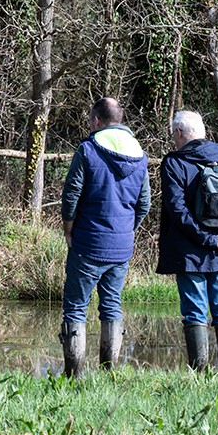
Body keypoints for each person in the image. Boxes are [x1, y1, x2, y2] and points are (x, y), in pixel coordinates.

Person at [58, 97, 151, 377]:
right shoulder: (140, 154)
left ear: (97, 121)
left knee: (76, 306)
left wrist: (68, 230)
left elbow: (71, 195)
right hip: (120, 248)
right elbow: (144, 203)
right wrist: (125, 230)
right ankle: (109, 371)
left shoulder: (87, 150)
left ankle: (74, 374)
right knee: (111, 304)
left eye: (90, 120)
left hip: (87, 243)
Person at [157, 110, 218, 370]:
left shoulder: (174, 163)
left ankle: (200, 373)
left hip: (191, 254)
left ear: (179, 133)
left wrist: (208, 240)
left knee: (194, 312)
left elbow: (177, 210)